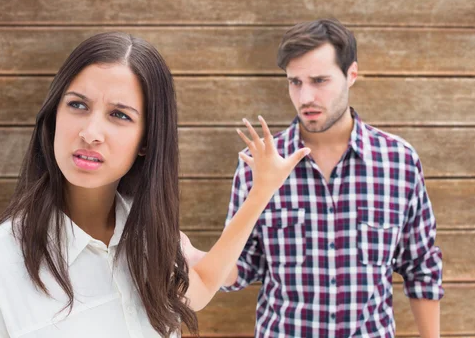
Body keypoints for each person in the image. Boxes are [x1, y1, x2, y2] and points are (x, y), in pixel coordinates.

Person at [0, 32, 309, 337]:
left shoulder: (151, 238)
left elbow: (204, 284)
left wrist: (261, 191)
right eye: (78, 105)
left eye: (119, 115)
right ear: (54, 115)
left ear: (147, 140)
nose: (91, 132)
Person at [183, 19, 444, 337]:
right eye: (295, 82)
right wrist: (201, 260)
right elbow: (244, 267)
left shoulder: (398, 162)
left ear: (352, 75)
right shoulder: (260, 164)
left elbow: (421, 266)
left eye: (319, 80)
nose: (305, 96)